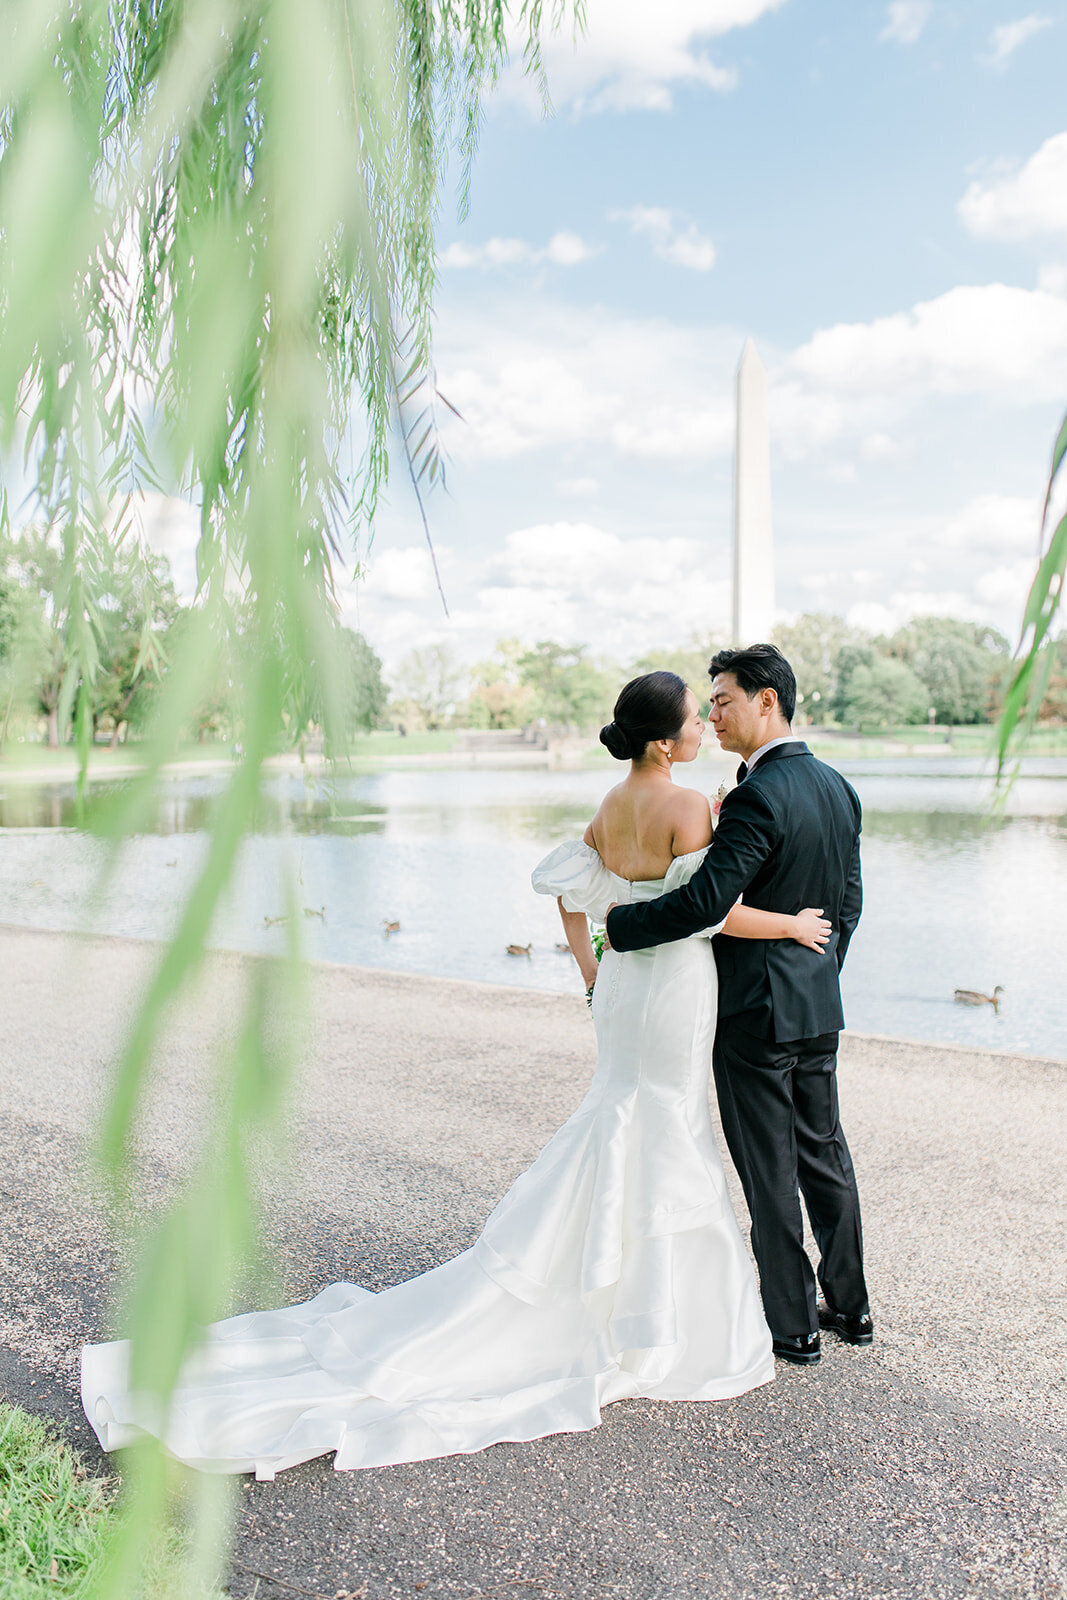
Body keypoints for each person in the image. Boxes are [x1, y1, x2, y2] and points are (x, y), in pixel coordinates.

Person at [81, 670, 827, 1478]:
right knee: (666, 1123)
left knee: (624, 1115)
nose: (699, 726)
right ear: (663, 740)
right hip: (674, 988)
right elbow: (708, 909)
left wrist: (590, 973)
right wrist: (789, 921)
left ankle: (625, 1293)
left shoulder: (609, 807)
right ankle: (656, 1317)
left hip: (621, 990)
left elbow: (569, 896)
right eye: (692, 717)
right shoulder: (688, 807)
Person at [605, 645, 872, 1366]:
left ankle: (792, 1325)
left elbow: (705, 902)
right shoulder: (836, 786)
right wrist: (815, 969)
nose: (714, 714)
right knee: (823, 1155)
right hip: (816, 1001)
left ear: (766, 701)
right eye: (710, 704)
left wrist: (620, 927)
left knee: (767, 1167)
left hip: (753, 1009)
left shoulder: (758, 794)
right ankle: (851, 1307)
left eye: (722, 699)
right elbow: (846, 903)